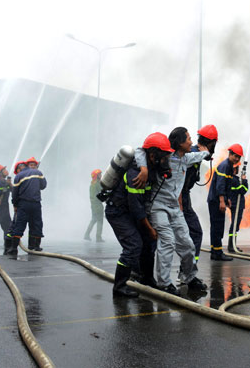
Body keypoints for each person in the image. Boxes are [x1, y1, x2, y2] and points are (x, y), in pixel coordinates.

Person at [134, 127, 210, 295]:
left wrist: (206, 152)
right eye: (188, 139)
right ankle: (164, 283)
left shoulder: (186, 158)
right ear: (180, 143)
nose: (191, 142)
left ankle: (189, 277)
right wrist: (144, 169)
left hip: (174, 208)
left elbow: (200, 155)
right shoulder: (165, 156)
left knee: (188, 244)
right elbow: (140, 151)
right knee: (167, 241)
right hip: (158, 206)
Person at [104, 133, 166, 297]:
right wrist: (150, 228)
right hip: (117, 212)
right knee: (133, 245)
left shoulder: (149, 169)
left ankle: (146, 278)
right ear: (153, 155)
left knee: (148, 244)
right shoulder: (136, 175)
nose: (166, 159)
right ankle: (119, 287)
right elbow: (136, 208)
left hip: (129, 211)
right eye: (164, 156)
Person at [177, 124, 218, 264]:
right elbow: (179, 183)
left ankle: (188, 269)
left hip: (182, 197)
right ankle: (189, 270)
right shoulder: (192, 155)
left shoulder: (196, 153)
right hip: (179, 198)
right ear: (212, 143)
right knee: (194, 232)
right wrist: (181, 205)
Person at [207, 144, 243, 260]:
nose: (237, 159)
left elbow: (225, 185)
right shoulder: (225, 166)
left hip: (216, 200)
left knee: (216, 226)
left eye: (239, 157)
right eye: (235, 156)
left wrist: (226, 199)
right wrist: (222, 201)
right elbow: (220, 185)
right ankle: (217, 253)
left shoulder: (228, 166)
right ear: (230, 154)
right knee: (218, 227)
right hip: (216, 201)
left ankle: (215, 251)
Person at [5, 157, 46, 255]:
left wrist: (15, 204)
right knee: (36, 224)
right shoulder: (39, 173)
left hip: (23, 204)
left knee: (20, 224)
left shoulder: (19, 176)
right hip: (36, 204)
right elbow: (43, 186)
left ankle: (14, 248)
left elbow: (15, 193)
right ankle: (35, 247)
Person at [226, 159, 249, 253]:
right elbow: (243, 190)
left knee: (235, 225)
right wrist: (244, 180)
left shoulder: (232, 179)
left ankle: (232, 245)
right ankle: (231, 246)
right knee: (235, 225)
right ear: (234, 169)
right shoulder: (234, 180)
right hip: (237, 205)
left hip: (235, 204)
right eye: (237, 168)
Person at [84, 169, 105, 242]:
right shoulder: (97, 184)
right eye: (99, 174)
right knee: (100, 221)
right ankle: (98, 237)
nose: (101, 175)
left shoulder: (92, 184)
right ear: (96, 176)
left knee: (93, 220)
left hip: (94, 206)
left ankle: (86, 235)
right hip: (97, 206)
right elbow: (103, 190)